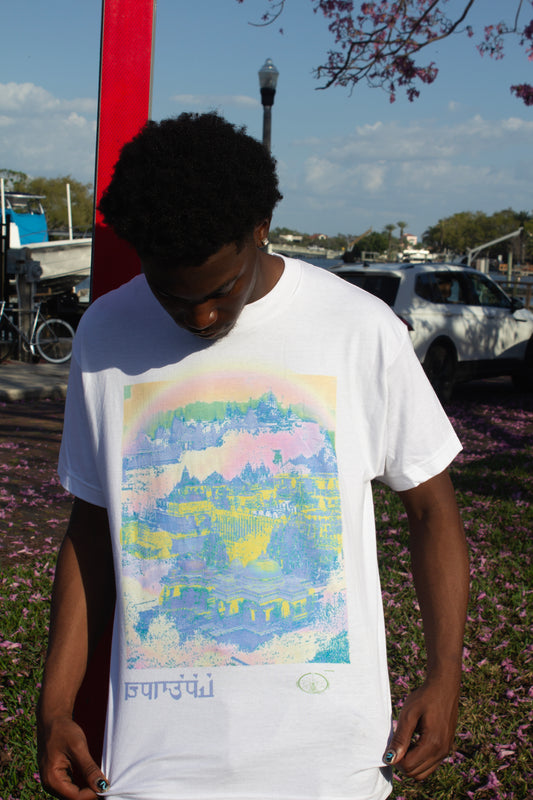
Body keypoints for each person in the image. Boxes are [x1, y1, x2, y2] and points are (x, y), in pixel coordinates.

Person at [37, 112, 469, 800]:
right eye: (172, 294)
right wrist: (56, 707)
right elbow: (90, 532)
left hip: (330, 766)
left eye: (221, 289)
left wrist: (444, 675)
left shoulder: (358, 329)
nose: (201, 317)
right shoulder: (106, 332)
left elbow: (431, 512)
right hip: (154, 768)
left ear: (261, 228)